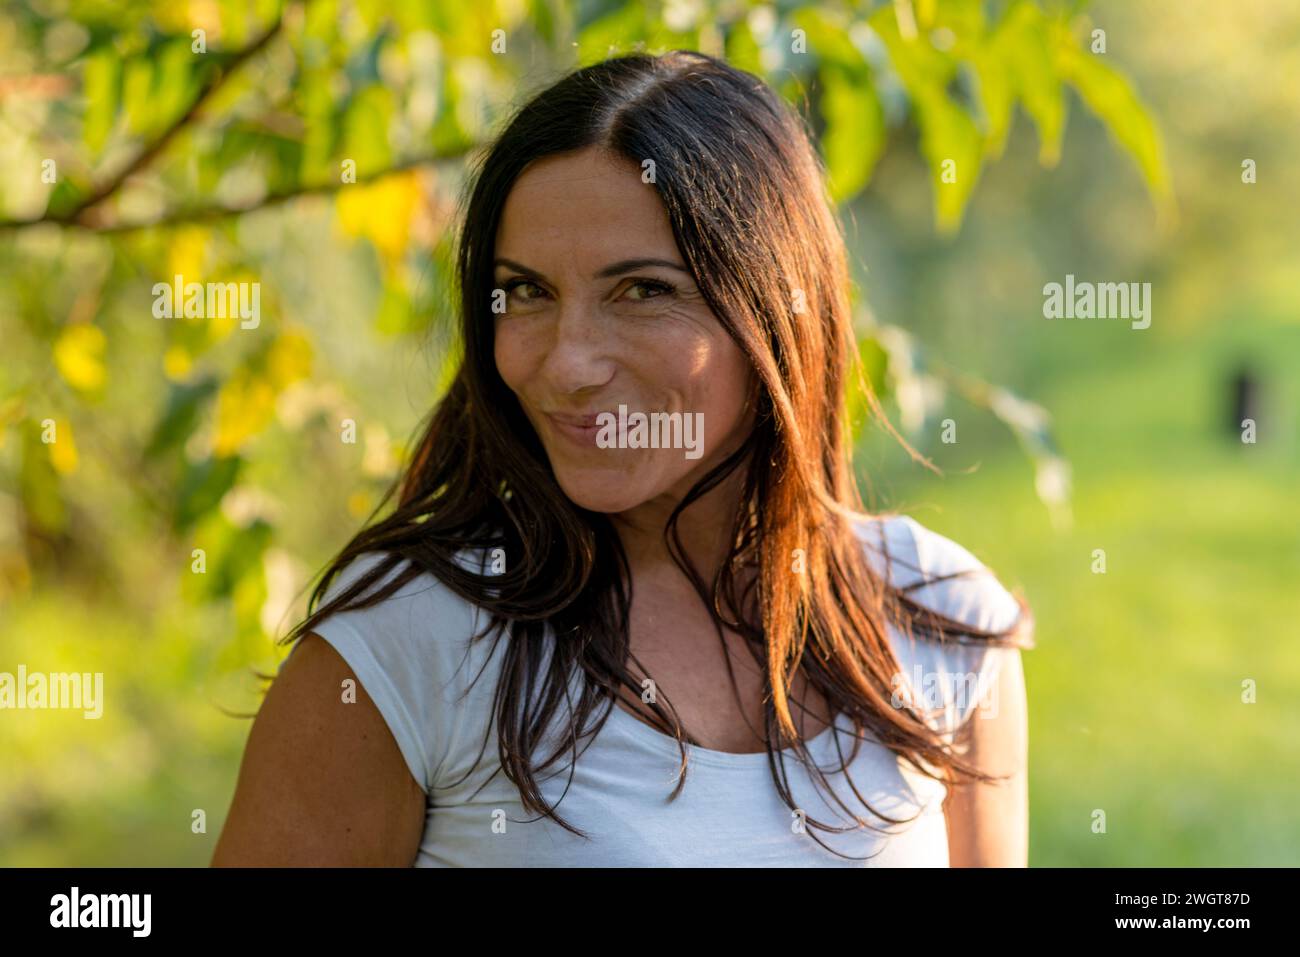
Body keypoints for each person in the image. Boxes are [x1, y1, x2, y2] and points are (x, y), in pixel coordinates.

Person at [213, 50, 1034, 867]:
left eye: (641, 291)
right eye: (528, 291)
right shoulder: (402, 647)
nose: (567, 364)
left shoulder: (946, 625)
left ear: (775, 308)